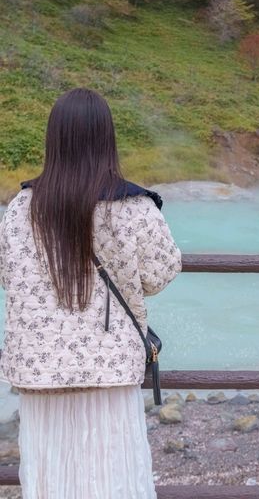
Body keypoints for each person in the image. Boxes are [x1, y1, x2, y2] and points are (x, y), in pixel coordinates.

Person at [0, 88, 182, 498]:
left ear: (54, 139)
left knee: (54, 478)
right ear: (106, 139)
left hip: (42, 372)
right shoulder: (134, 206)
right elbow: (162, 272)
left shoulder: (21, 208)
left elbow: (10, 275)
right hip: (110, 368)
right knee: (112, 476)